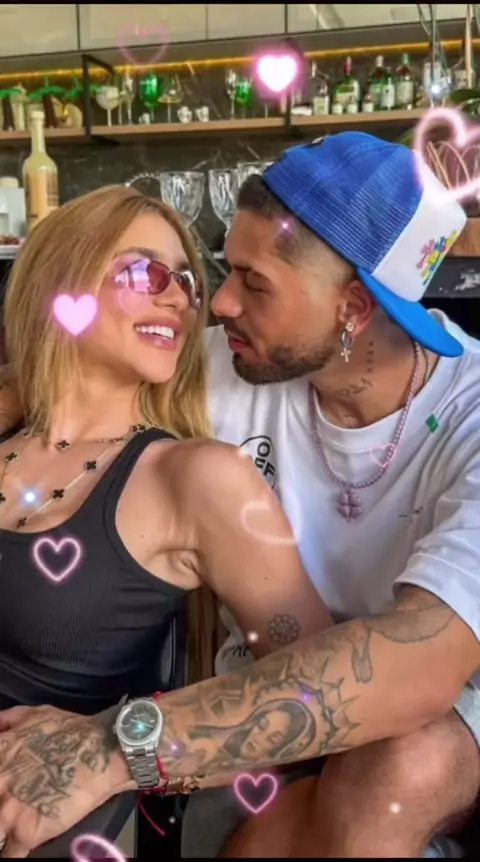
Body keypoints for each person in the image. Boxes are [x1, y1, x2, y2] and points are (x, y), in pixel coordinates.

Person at [0, 132, 479, 859]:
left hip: (439, 700)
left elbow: (420, 664)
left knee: (402, 764)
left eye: (254, 284)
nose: (216, 303)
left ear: (352, 308)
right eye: (222, 270)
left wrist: (108, 747)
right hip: (259, 690)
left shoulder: (470, 416)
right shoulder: (233, 362)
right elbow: (74, 376)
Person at [0, 183, 331, 855]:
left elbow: (317, 694)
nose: (179, 298)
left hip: (47, 819)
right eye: (146, 273)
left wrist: (121, 745)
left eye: (185, 281)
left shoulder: (199, 477)